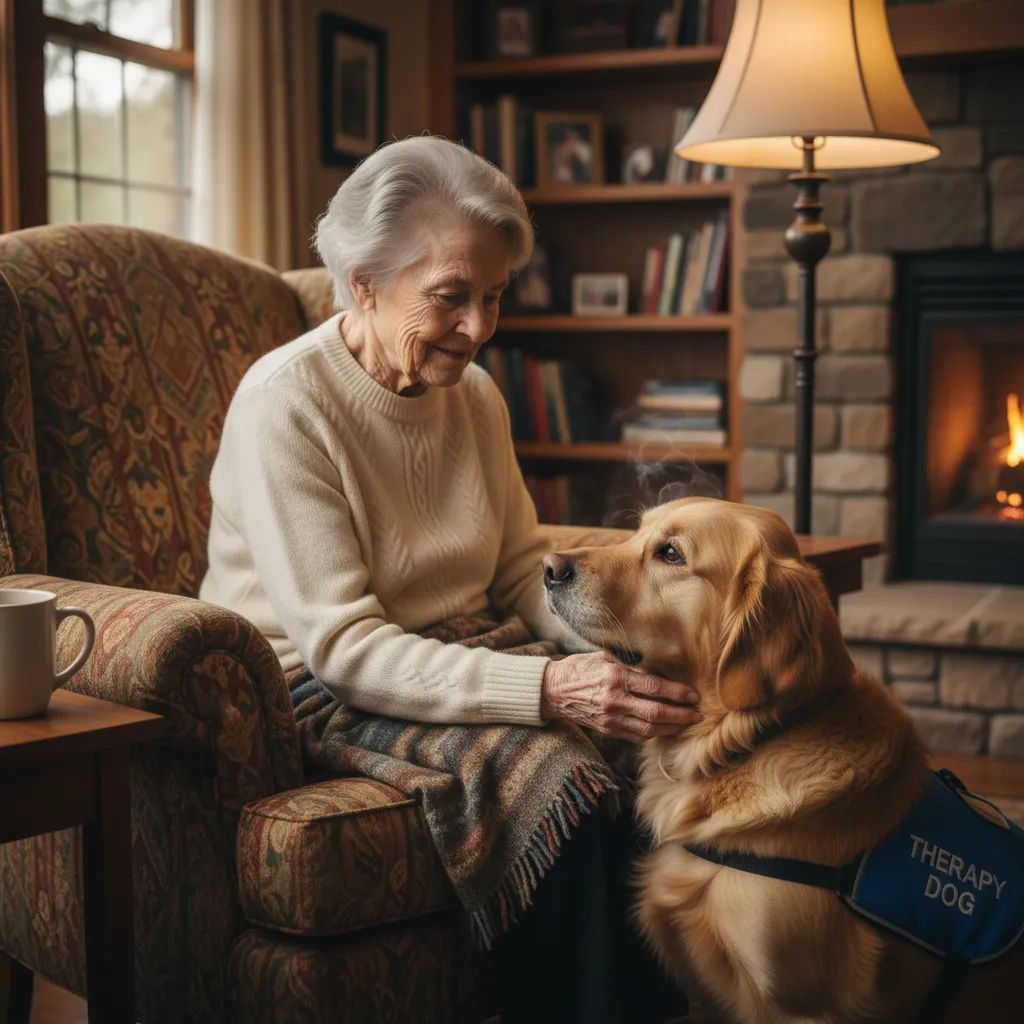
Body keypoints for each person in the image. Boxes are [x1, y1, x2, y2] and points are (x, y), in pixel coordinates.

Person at [200, 136, 699, 1023]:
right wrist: (552, 690)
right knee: (566, 787)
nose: (478, 328)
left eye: (495, 296)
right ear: (362, 282)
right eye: (449, 297)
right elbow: (346, 646)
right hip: (317, 679)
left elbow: (515, 572)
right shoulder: (285, 404)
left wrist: (623, 660)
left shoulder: (474, 393)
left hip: (463, 644)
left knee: (662, 730)